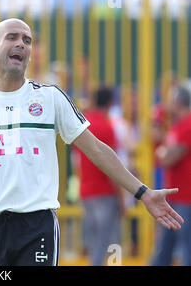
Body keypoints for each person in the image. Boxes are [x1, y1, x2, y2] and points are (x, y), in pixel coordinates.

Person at [0, 18, 184, 266]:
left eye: (26, 40)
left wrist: (143, 192)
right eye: (12, 37)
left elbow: (96, 149)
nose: (21, 44)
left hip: (36, 225)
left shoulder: (51, 98)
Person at [76, 87, 124, 266]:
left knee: (94, 242)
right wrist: (121, 198)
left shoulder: (84, 124)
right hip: (105, 192)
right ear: (111, 103)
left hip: (86, 190)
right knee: (109, 242)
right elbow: (111, 167)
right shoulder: (108, 127)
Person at [151, 85, 191, 266]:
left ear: (178, 102)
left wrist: (162, 153)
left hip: (186, 197)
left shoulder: (188, 124)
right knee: (166, 245)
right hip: (175, 196)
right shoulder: (177, 125)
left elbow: (169, 158)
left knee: (185, 245)